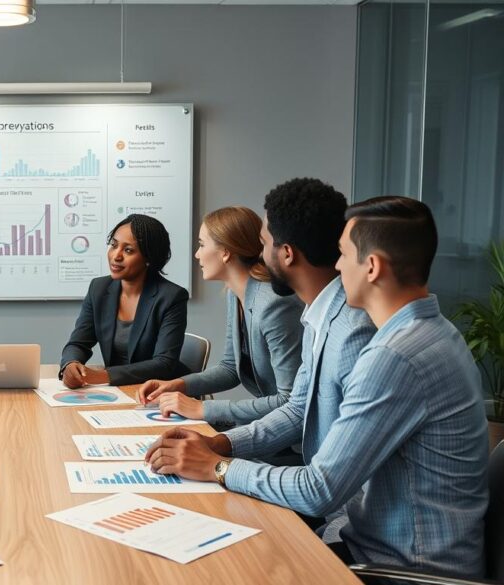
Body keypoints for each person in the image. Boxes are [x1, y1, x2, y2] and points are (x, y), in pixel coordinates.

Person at [145, 196, 488, 578]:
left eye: (343, 254)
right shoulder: (420, 331)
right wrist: (221, 444)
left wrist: (219, 467)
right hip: (368, 539)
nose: (337, 266)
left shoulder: (395, 355)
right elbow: (298, 409)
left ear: (372, 267)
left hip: (399, 567)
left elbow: (319, 488)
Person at [137, 207, 304, 426]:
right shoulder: (235, 294)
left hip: (292, 440)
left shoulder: (274, 305)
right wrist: (177, 385)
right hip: (269, 425)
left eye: (202, 244)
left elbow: (289, 400)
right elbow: (230, 368)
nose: (197, 254)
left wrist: (202, 408)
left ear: (225, 252)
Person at [59, 214, 189, 388]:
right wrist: (70, 364)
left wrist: (103, 376)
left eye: (128, 250)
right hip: (118, 391)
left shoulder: (171, 297)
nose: (116, 256)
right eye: (114, 245)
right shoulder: (99, 288)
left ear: (149, 258)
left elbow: (164, 364)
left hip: (159, 392)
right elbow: (78, 343)